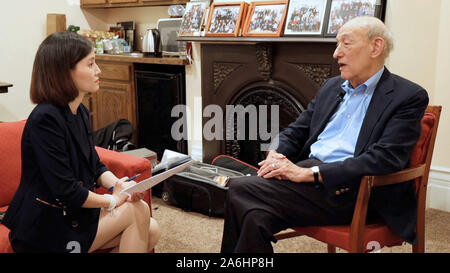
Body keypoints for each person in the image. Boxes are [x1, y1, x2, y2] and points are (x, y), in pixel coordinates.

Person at [221, 16, 429, 253]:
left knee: (241, 188)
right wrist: (275, 154)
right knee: (254, 216)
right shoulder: (331, 87)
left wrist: (308, 173)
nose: (336, 53)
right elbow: (297, 130)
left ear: (376, 46)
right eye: (336, 44)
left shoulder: (407, 96)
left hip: (357, 187)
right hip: (311, 178)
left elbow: (385, 158)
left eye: (346, 44)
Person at [2, 32, 161, 253]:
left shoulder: (80, 111)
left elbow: (94, 165)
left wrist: (119, 185)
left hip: (71, 215)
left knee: (151, 229)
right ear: (64, 72)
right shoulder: (45, 119)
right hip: (45, 227)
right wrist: (113, 201)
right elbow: (66, 191)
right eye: (91, 64)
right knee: (137, 211)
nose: (99, 71)